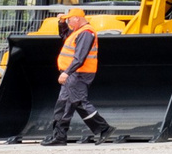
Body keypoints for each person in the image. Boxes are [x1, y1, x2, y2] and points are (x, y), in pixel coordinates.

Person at [44, 9, 120, 146]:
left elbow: (80, 57)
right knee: (64, 103)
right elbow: (65, 35)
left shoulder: (86, 32)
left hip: (79, 73)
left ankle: (104, 128)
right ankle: (59, 136)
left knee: (78, 102)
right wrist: (61, 23)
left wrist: (67, 72)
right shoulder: (77, 31)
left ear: (77, 18)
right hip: (74, 73)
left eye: (69, 19)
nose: (69, 22)